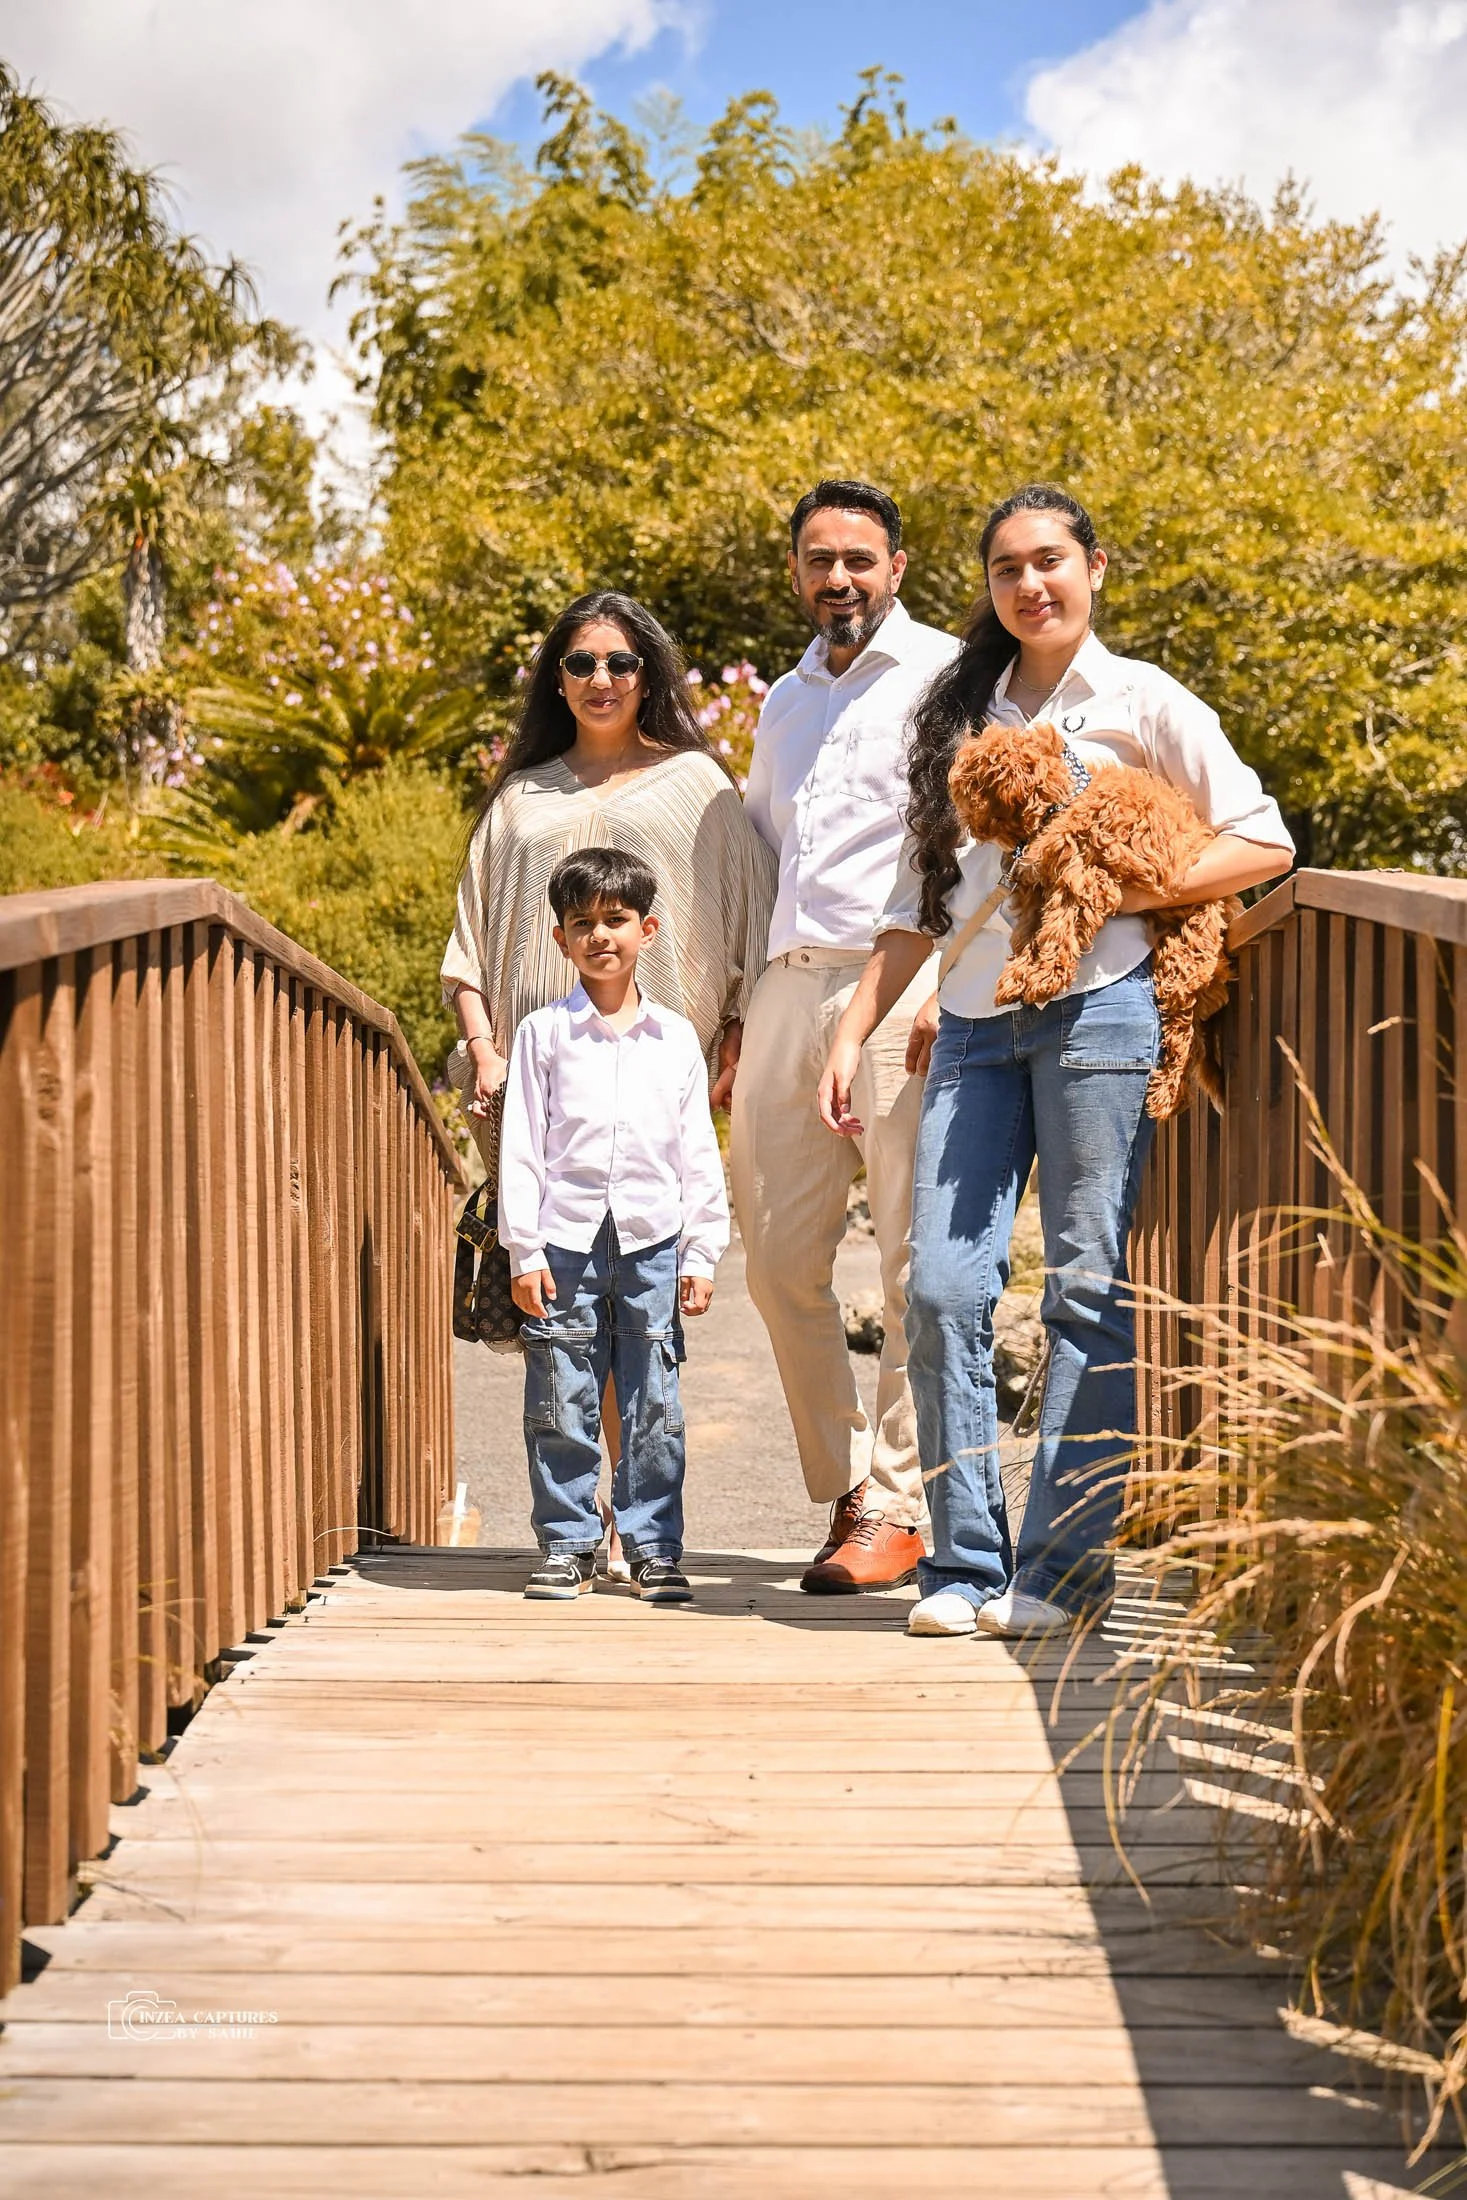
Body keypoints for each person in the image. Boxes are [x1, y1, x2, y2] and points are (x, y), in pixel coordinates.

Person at [818, 482, 1295, 1639]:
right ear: (988, 588)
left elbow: (1263, 839)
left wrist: (1124, 890)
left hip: (1103, 1016)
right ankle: (963, 1563)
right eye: (1007, 569)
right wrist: (852, 1024)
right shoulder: (959, 712)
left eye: (1049, 561)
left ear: (1093, 569)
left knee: (1087, 1287)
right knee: (941, 1287)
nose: (1031, 584)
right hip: (973, 1025)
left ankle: (1062, 1574)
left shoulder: (1143, 699)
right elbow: (920, 899)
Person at [442, 590, 774, 1574]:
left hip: (651, 1083)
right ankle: (575, 1525)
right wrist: (485, 1048)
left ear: (648, 674)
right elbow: (470, 946)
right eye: (581, 662)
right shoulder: (520, 799)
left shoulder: (697, 788)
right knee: (561, 1324)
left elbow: (750, 922)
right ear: (557, 679)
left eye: (620, 662)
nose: (601, 679)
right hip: (536, 1091)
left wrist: (735, 1039)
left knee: (638, 1320)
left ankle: (631, 1519)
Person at [730, 479, 958, 1593]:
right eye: (819, 560)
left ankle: (899, 1504)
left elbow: (964, 847)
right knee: (775, 1255)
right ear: (795, 572)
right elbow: (760, 851)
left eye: (860, 560)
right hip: (786, 983)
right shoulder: (783, 700)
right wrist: (738, 1010)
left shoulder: (948, 675)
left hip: (904, 977)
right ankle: (850, 1486)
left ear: (896, 568)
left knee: (914, 1256)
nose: (839, 579)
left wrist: (941, 984)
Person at [498, 847, 729, 1604]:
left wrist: (702, 1250)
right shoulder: (542, 1034)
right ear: (561, 939)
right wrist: (523, 1249)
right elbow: (523, 1146)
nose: (600, 935)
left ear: (646, 929)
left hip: (652, 1239)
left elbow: (696, 1149)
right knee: (560, 1392)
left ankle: (653, 1544)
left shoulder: (675, 1039)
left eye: (616, 919)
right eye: (582, 923)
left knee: (653, 1396)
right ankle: (568, 1543)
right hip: (563, 1240)